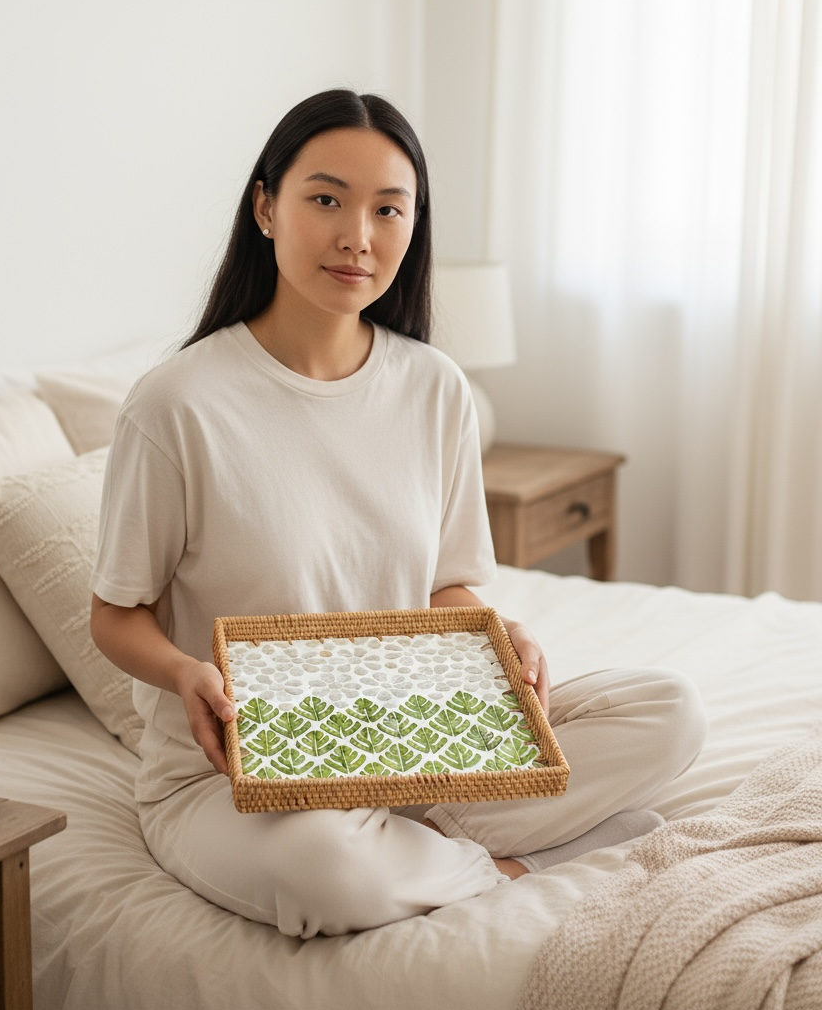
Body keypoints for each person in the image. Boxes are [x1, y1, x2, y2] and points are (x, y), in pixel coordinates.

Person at [90, 88, 707, 939]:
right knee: (325, 873)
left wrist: (498, 633)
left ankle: (412, 842)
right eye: (326, 200)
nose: (358, 236)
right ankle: (503, 862)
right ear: (266, 207)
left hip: (408, 735)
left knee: (670, 711)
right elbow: (116, 613)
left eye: (389, 208)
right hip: (234, 771)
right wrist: (186, 673)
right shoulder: (177, 405)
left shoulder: (434, 386)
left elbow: (450, 585)